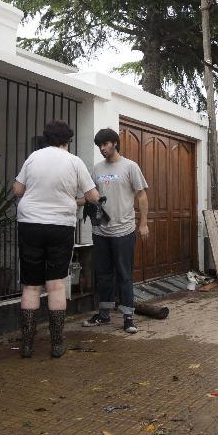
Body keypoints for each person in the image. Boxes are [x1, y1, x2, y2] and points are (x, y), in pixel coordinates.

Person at [13, 120, 99, 359]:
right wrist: (77, 199)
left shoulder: (33, 158)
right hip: (60, 226)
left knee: (31, 285)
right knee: (56, 284)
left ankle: (27, 345)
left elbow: (17, 191)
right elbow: (92, 196)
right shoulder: (74, 162)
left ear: (46, 138)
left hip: (30, 223)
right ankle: (57, 344)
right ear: (67, 140)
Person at [83, 128, 149, 334]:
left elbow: (142, 196)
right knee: (103, 275)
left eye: (105, 144)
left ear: (115, 143)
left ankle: (128, 317)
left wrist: (144, 223)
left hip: (124, 231)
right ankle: (103, 315)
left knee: (124, 275)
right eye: (99, 146)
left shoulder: (130, 167)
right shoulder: (97, 169)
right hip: (101, 231)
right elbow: (90, 196)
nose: (102, 149)